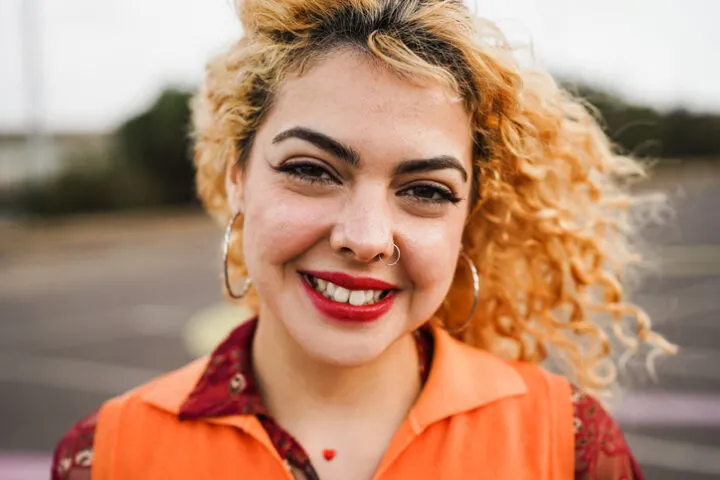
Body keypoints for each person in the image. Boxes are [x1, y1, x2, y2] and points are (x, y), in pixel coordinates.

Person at [52, 0, 676, 478]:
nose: (366, 238)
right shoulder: (107, 452)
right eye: (310, 170)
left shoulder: (566, 443)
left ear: (469, 215)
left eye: (426, 190)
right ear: (237, 176)